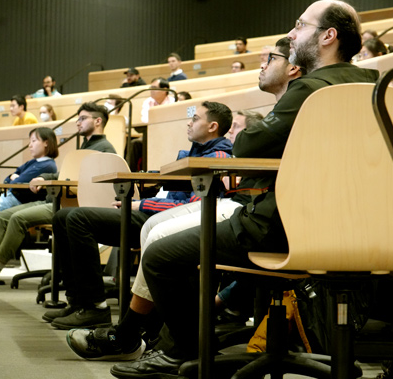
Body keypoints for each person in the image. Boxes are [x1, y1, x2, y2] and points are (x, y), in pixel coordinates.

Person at [109, 0, 380, 378]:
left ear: (328, 37)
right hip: (357, 228)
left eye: (300, 25)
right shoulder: (378, 88)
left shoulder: (310, 90)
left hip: (282, 227)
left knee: (160, 256)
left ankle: (182, 352)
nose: (291, 33)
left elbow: (247, 145)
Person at [65, 37, 303, 362]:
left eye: (270, 58)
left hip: (268, 221)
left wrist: (140, 204)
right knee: (140, 228)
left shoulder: (278, 118)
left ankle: (163, 342)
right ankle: (143, 334)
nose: (189, 123)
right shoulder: (273, 115)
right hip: (253, 213)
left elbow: (232, 168)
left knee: (158, 237)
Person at [44, 101, 234, 333]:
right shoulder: (196, 152)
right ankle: (78, 302)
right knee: (62, 217)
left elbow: (193, 207)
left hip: (167, 224)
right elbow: (172, 188)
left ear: (213, 126)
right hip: (155, 214)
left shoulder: (216, 157)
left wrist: (140, 204)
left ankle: (95, 307)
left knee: (78, 219)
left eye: (195, 119)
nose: (189, 122)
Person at [0, 105, 116, 291]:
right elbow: (67, 175)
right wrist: (45, 178)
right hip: (55, 199)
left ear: (98, 121)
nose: (77, 122)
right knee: (2, 217)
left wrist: (49, 178)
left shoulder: (103, 149)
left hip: (71, 204)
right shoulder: (87, 146)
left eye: (82, 118)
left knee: (18, 218)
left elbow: (90, 183)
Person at [0, 127, 59, 225]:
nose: (30, 145)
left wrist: (15, 178)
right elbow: (8, 179)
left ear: (46, 143)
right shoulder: (33, 162)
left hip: (15, 201)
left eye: (34, 141)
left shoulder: (47, 166)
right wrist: (13, 178)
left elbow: (15, 182)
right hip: (7, 195)